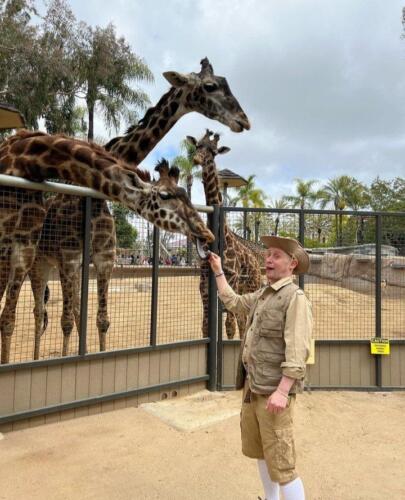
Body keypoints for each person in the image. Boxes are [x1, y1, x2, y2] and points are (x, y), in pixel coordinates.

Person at [208, 235, 312, 500]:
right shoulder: (263, 295)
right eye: (268, 254)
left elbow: (298, 350)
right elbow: (234, 303)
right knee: (262, 452)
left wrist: (282, 390)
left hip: (274, 394)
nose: (268, 259)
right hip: (253, 389)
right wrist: (219, 271)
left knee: (283, 463)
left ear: (292, 264)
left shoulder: (294, 298)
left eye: (276, 255)